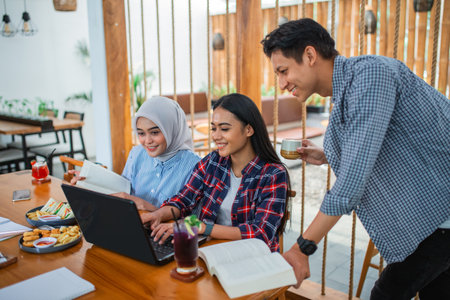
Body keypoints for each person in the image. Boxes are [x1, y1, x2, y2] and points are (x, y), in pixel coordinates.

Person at [261, 18, 450, 299]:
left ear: (310, 55)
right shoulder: (347, 94)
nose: (281, 83)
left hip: (439, 218)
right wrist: (326, 155)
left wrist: (302, 248)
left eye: (284, 71)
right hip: (435, 218)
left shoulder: (371, 76)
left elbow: (351, 183)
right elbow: (379, 146)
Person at [141, 93, 290, 252]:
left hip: (254, 258)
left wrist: (201, 227)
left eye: (224, 129)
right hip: (211, 251)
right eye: (213, 128)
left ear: (248, 129)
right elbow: (184, 199)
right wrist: (158, 215)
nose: (216, 136)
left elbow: (261, 233)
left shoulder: (273, 174)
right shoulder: (213, 162)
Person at [71, 96, 200, 211]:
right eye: (141, 133)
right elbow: (123, 188)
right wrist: (91, 179)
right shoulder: (137, 153)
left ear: (172, 128)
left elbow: (193, 223)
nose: (147, 141)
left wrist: (145, 206)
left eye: (155, 132)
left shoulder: (195, 167)